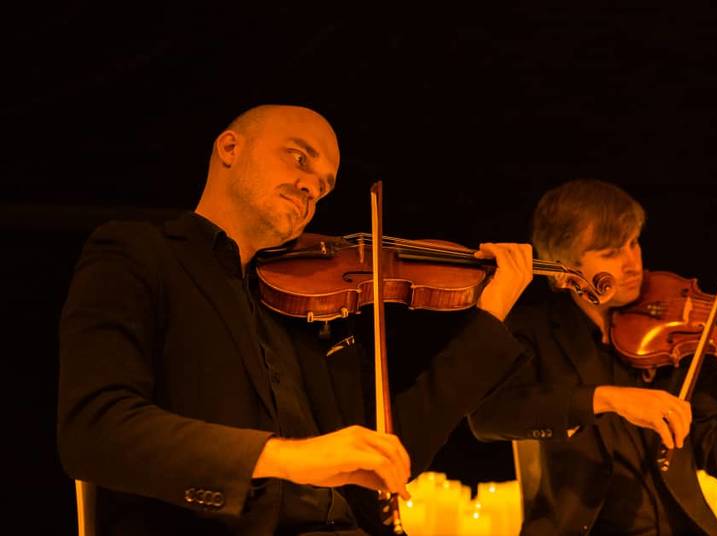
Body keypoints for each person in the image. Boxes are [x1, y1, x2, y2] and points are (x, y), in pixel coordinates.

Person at [57, 104, 534, 535]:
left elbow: (391, 450)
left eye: (325, 184)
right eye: (300, 158)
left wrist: (491, 315)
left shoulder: (310, 304)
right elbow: (95, 429)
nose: (312, 186)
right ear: (229, 148)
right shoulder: (138, 255)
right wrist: (287, 459)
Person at [469, 179, 717, 535]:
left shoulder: (673, 335)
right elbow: (488, 418)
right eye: (611, 253)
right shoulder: (531, 331)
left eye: (633, 243)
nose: (632, 263)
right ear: (565, 268)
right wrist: (607, 399)